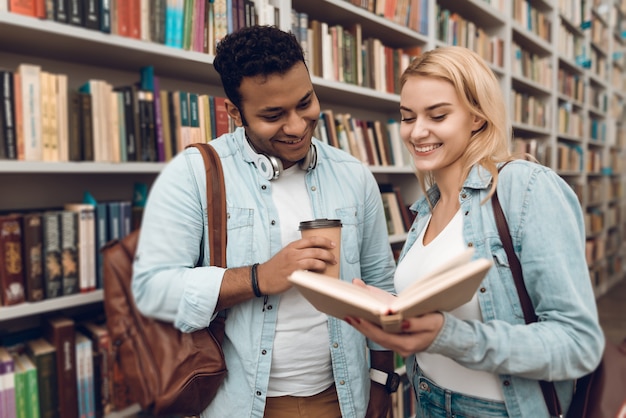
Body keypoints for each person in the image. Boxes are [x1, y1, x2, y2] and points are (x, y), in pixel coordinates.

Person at [131, 25, 398, 418]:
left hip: (344, 399)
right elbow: (151, 289)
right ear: (234, 112)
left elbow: (381, 285)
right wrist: (258, 278)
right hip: (239, 404)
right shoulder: (193, 173)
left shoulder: (353, 173)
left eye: (304, 103)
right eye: (273, 115)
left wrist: (381, 384)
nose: (296, 126)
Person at [344, 46, 605, 417]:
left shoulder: (526, 188)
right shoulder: (425, 208)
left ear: (478, 118)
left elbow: (578, 344)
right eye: (407, 117)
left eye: (438, 115)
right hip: (428, 399)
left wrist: (447, 335)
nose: (417, 132)